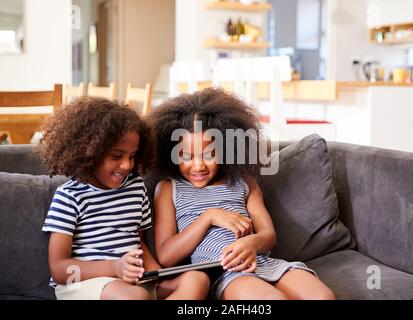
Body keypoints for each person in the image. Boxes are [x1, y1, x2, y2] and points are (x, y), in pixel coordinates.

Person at [147, 88, 336, 300]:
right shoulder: (168, 188)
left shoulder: (244, 183)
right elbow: (166, 256)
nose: (198, 165)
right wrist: (209, 217)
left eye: (209, 155)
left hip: (263, 262)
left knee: (323, 297)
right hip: (226, 273)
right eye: (186, 157)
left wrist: (251, 243)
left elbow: (268, 235)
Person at [37, 97, 210, 300]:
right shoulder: (70, 196)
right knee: (135, 297)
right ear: (89, 152)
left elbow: (136, 241)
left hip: (132, 281)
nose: (127, 165)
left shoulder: (135, 186)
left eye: (132, 156)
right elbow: (59, 268)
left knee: (197, 279)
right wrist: (115, 267)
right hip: (85, 284)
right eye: (117, 156)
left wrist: (156, 274)